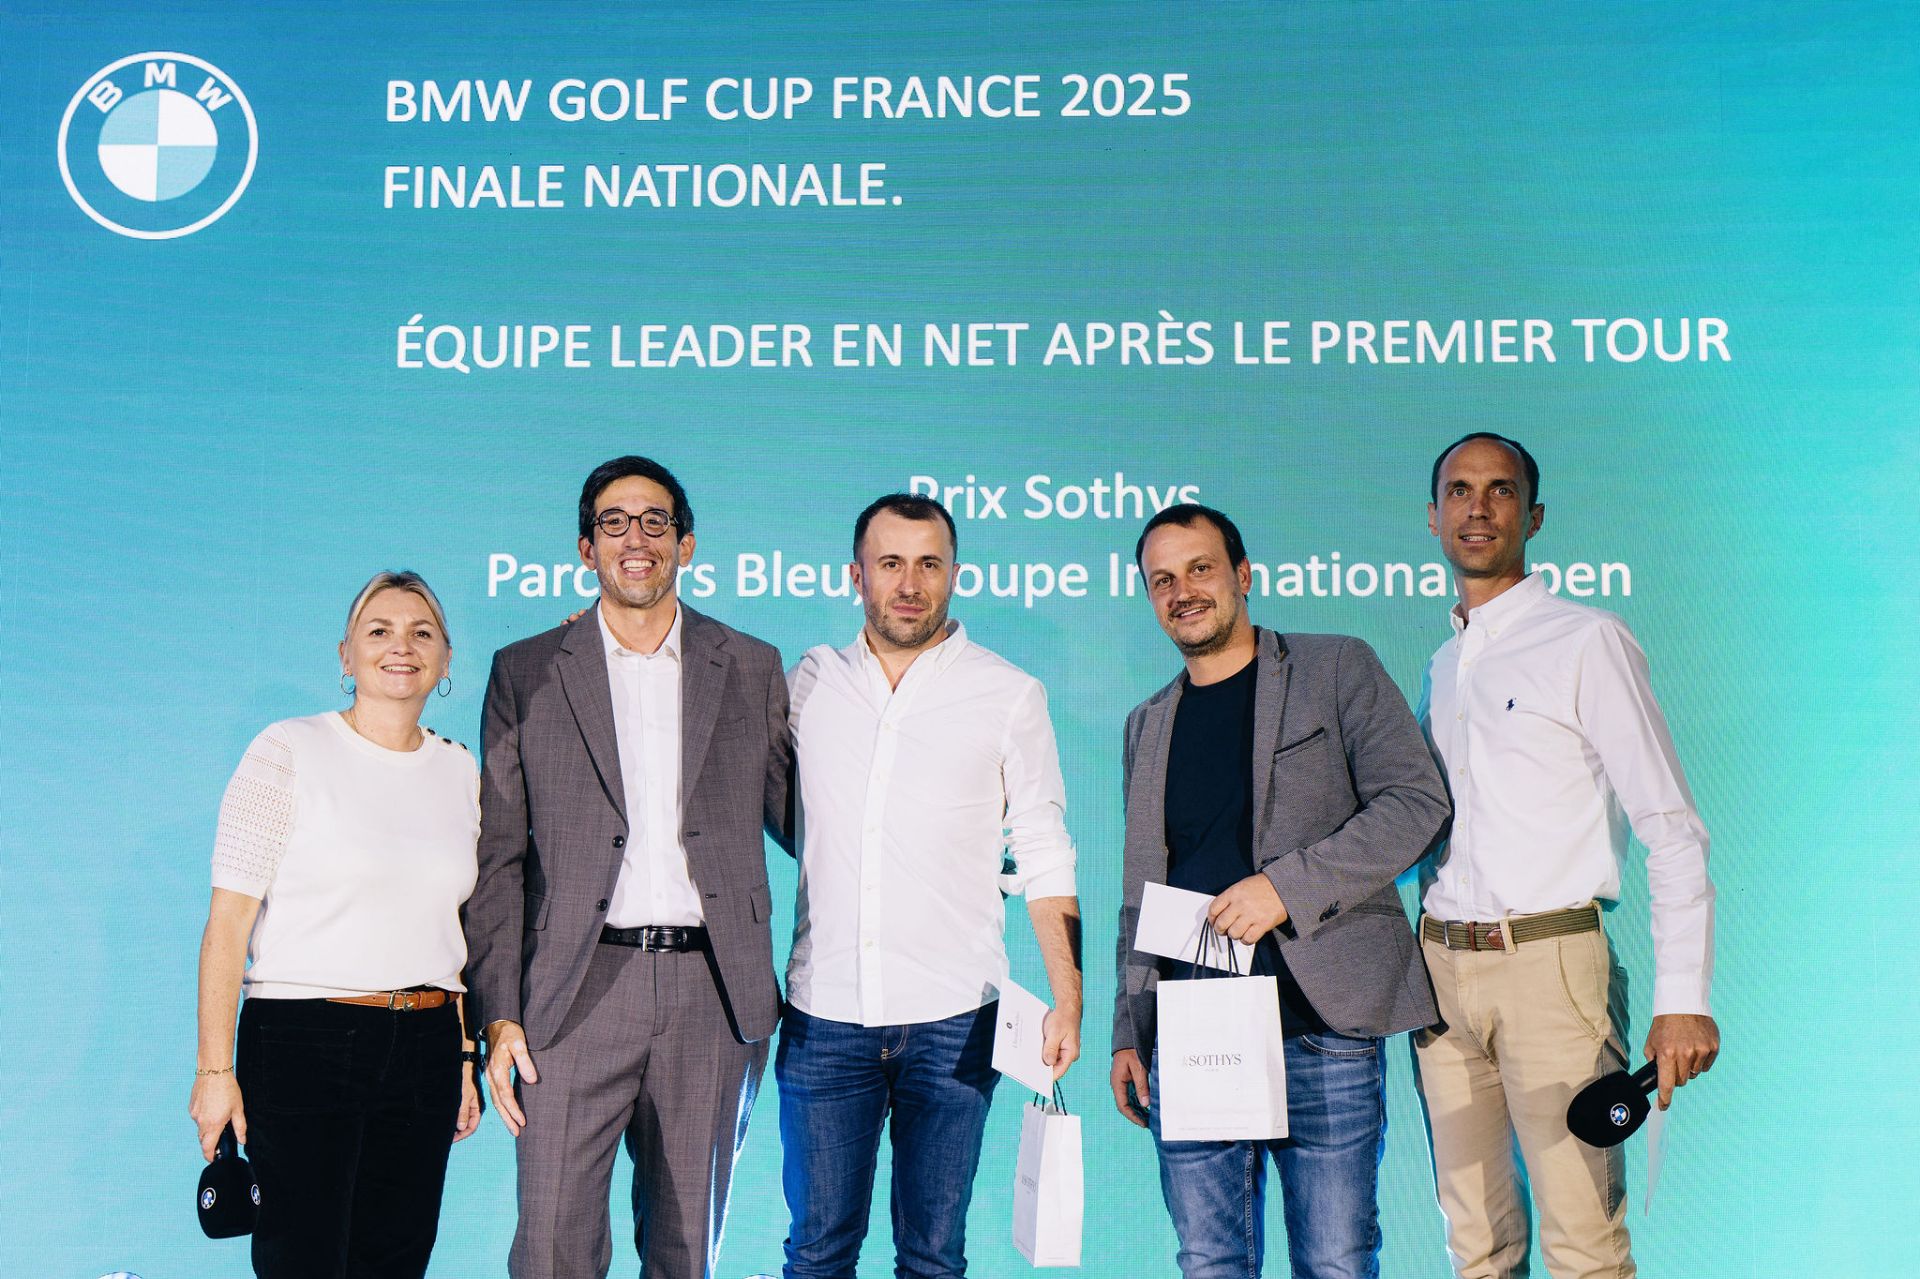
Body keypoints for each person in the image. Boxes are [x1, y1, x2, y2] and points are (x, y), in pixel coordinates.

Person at [462, 455, 794, 1279]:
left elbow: (805, 822)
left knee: (685, 1256)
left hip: (712, 993)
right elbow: (499, 858)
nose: (635, 538)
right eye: (614, 522)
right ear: (587, 548)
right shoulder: (527, 669)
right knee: (550, 1250)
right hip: (571, 993)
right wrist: (498, 1014)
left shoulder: (750, 664)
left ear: (686, 544)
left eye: (654, 521)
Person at [1111, 504, 1450, 1279]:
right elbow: (1139, 893)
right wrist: (1129, 1031)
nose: (1183, 591)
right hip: (1191, 1033)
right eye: (1162, 580)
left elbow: (1415, 802)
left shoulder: (1335, 666)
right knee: (1209, 1262)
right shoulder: (1146, 723)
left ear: (1243, 575)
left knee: (1334, 1262)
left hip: (1320, 1026)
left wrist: (1284, 888)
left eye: (1200, 568)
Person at [1413, 433, 1719, 1279]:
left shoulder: (1587, 639)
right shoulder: (1443, 665)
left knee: (1584, 1248)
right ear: (1432, 517)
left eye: (1501, 490)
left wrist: (1683, 998)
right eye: (1460, 490)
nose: (1478, 507)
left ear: (1534, 515)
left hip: (1550, 968)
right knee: (1476, 1249)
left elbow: (1672, 826)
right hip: (1440, 978)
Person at [778, 493, 1083, 1279]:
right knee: (816, 1253)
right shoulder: (807, 683)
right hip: (824, 1015)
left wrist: (1068, 995)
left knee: (933, 1257)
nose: (909, 584)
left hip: (956, 1019)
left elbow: (1045, 848)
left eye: (928, 564)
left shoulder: (1008, 692)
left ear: (953, 574)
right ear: (857, 576)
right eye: (890, 563)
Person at [188, 570, 483, 1279]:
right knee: (304, 1259)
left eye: (421, 632)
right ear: (346, 655)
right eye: (379, 630)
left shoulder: (460, 769)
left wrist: (463, 1056)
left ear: (445, 660)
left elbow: (454, 929)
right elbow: (227, 924)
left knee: (398, 1258)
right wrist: (214, 1072)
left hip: (426, 1044)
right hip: (304, 1038)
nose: (401, 646)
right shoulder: (287, 749)